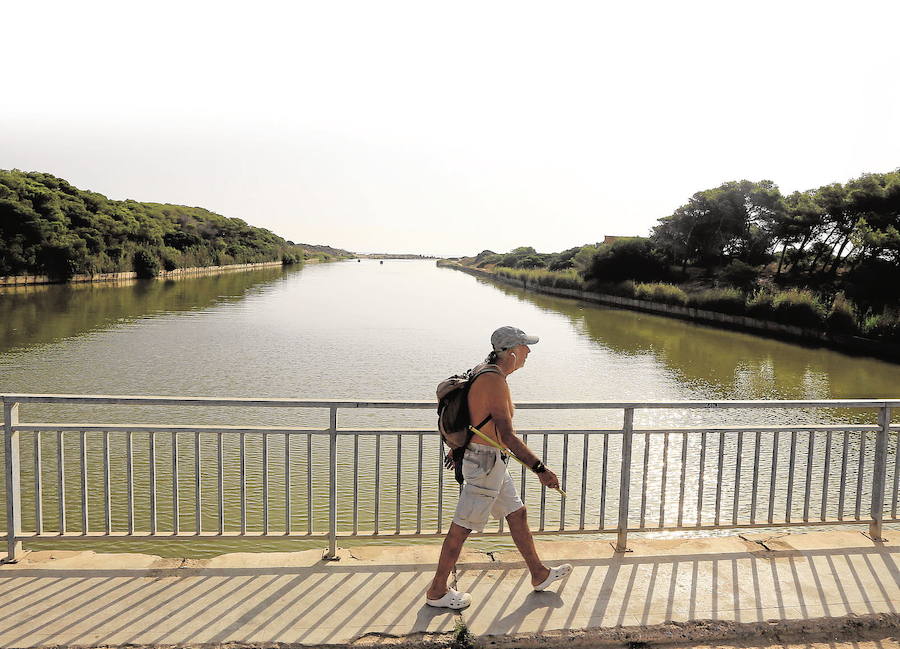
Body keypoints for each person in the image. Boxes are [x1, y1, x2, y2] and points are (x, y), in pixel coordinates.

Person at [425, 326, 572, 609]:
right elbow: (506, 435)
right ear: (512, 353)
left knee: (517, 514)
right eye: (525, 347)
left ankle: (539, 574)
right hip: (485, 463)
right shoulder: (495, 382)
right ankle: (437, 591)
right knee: (461, 528)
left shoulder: (486, 370)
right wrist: (540, 468)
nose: (529, 352)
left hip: (489, 460)